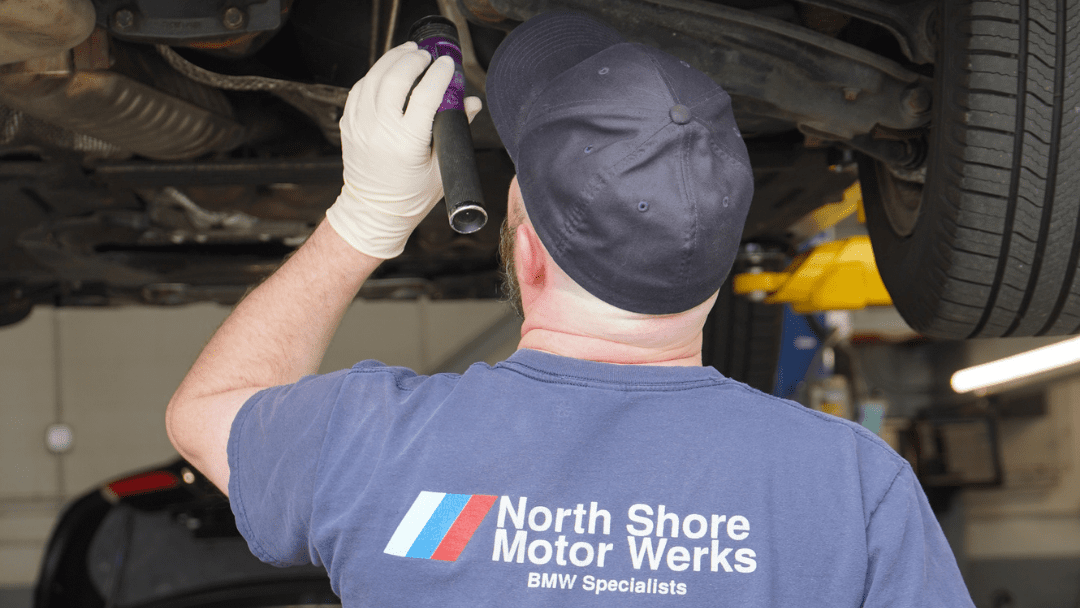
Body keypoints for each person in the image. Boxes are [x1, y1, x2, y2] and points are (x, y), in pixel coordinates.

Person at [166, 11, 975, 607]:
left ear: (524, 252)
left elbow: (204, 414)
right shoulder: (851, 489)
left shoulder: (376, 445)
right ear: (716, 260)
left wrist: (361, 222)